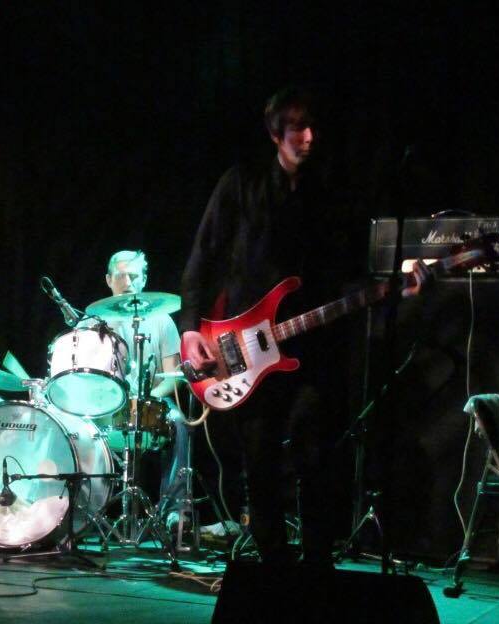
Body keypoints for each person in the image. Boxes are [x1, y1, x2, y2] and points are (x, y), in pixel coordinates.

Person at [180, 87, 426, 566]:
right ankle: (272, 560)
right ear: (276, 134)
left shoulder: (332, 193)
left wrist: (394, 287)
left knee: (317, 454)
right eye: (297, 128)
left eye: (312, 126)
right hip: (243, 347)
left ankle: (317, 562)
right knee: (260, 456)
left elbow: (354, 268)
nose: (309, 137)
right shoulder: (241, 184)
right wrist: (191, 329)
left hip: (315, 347)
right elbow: (202, 256)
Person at [90, 250, 191, 532]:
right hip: (105, 406)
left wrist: (149, 399)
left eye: (134, 275)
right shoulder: (93, 324)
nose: (127, 282)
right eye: (120, 275)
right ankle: (82, 506)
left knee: (179, 422)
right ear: (109, 280)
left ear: (144, 279)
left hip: (150, 402)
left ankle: (173, 512)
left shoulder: (162, 320)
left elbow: (173, 376)